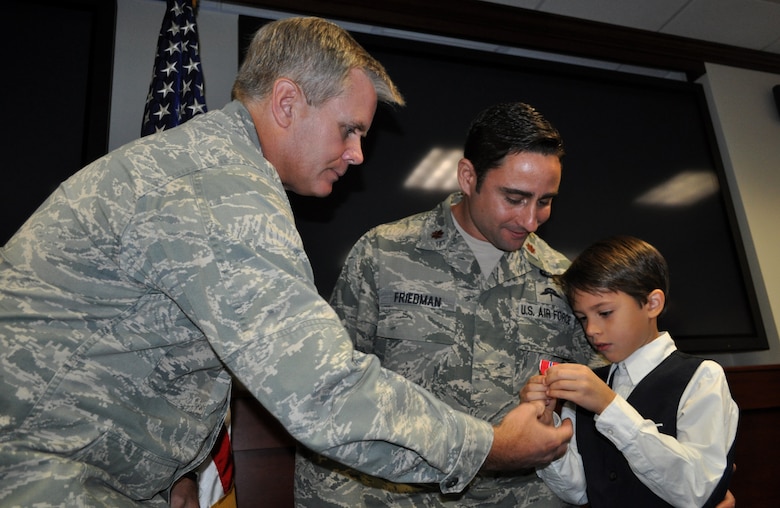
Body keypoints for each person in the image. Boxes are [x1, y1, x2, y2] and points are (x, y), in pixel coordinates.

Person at [0, 17, 573, 506]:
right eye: (349, 130)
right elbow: (321, 389)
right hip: (42, 471)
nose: (357, 154)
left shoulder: (207, 168)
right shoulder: (223, 192)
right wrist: (490, 447)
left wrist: (176, 467)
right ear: (287, 102)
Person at [295, 102, 599, 507]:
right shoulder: (384, 255)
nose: (531, 220)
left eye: (545, 201)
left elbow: (597, 403)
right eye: (515, 197)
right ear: (469, 177)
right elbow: (330, 392)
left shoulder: (563, 280)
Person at [524, 235, 738, 507]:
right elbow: (577, 490)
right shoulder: (588, 387)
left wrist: (609, 406)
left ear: (652, 304)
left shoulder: (701, 377)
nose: (591, 330)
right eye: (583, 318)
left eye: (605, 312)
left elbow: (697, 490)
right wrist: (546, 429)